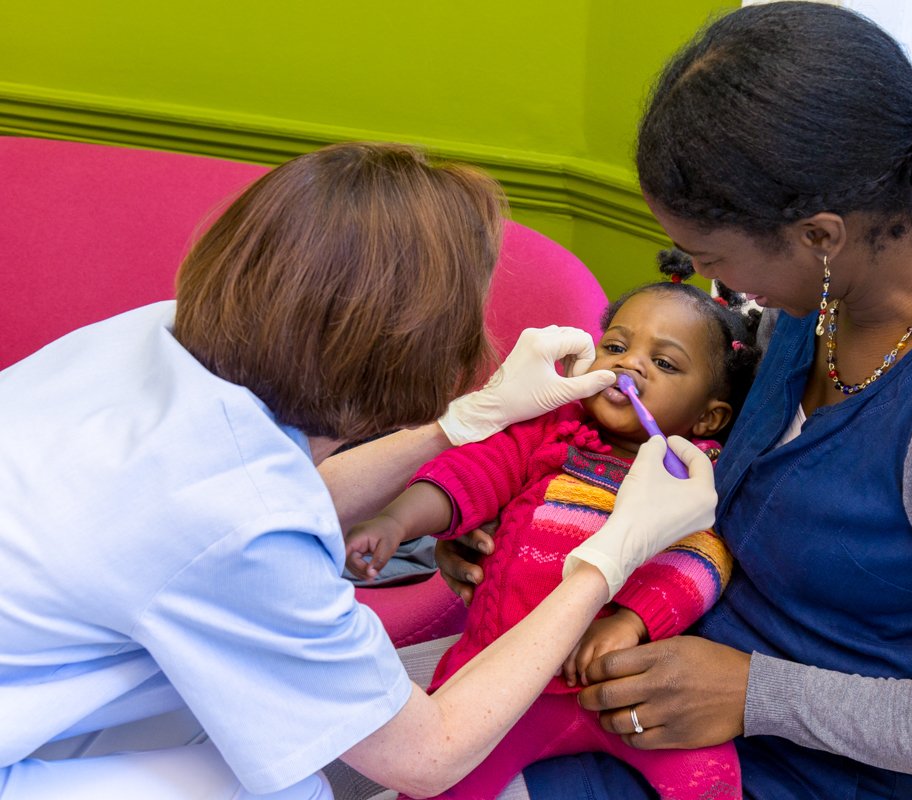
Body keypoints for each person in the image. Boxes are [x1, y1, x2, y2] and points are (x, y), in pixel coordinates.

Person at [436, 4, 912, 799]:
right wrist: (521, 521)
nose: (721, 291)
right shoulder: (842, 282)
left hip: (818, 768)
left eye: (715, 260)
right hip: (658, 669)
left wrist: (756, 694)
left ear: (820, 236)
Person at [0, 141, 720, 800]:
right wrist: (609, 557)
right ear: (408, 348)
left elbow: (266, 504)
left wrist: (458, 425)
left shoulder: (155, 331)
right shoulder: (234, 525)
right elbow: (427, 754)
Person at [345, 253, 762, 799]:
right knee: (434, 784)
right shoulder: (549, 433)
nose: (630, 365)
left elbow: (703, 558)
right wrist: (400, 519)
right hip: (496, 682)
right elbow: (473, 473)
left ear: (709, 417)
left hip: (624, 691)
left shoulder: (693, 479)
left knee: (712, 779)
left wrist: (632, 622)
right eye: (616, 346)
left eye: (664, 364)